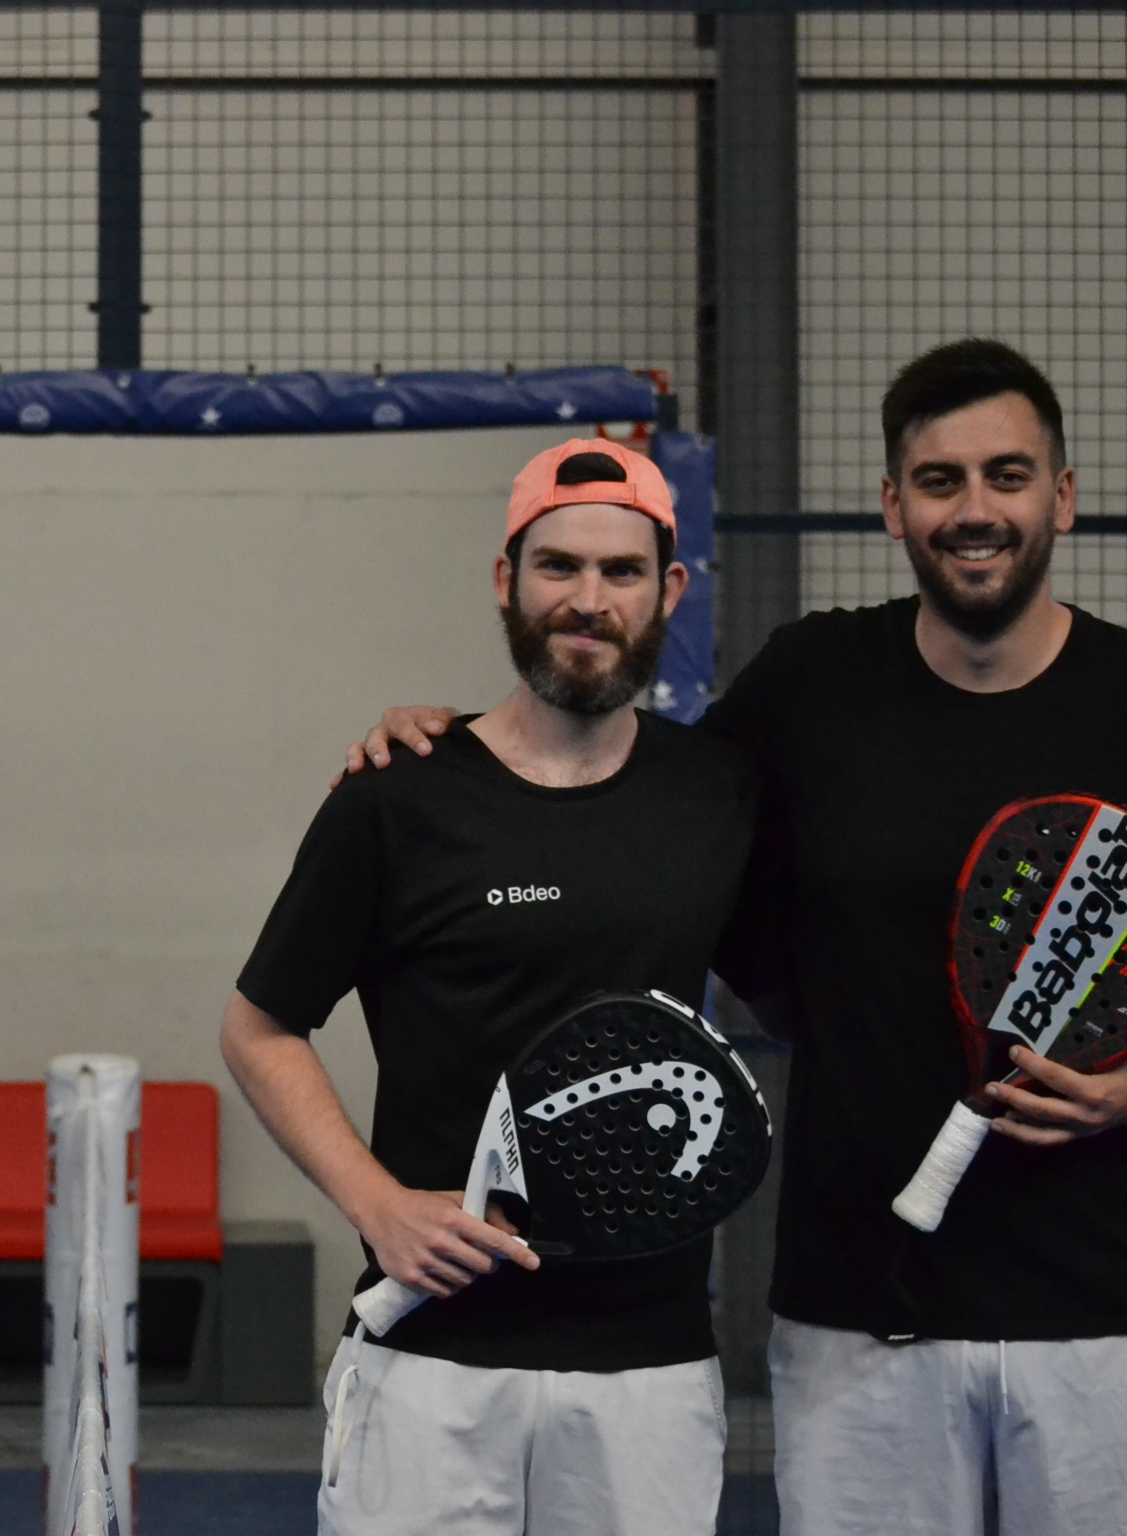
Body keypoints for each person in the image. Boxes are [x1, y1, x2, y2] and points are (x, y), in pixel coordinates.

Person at [347, 339, 1127, 1535]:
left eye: (1008, 476)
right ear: (893, 506)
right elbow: (621, 783)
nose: (975, 510)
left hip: (1106, 1324)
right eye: (940, 480)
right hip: (861, 1322)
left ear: (1062, 497)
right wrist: (454, 743)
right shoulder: (813, 683)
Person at [225, 438, 756, 1536]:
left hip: (648, 1373)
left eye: (621, 571)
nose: (588, 600)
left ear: (670, 590)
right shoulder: (398, 795)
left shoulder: (721, 794)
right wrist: (376, 1204)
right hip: (430, 1360)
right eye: (558, 566)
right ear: (506, 579)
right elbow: (259, 1028)